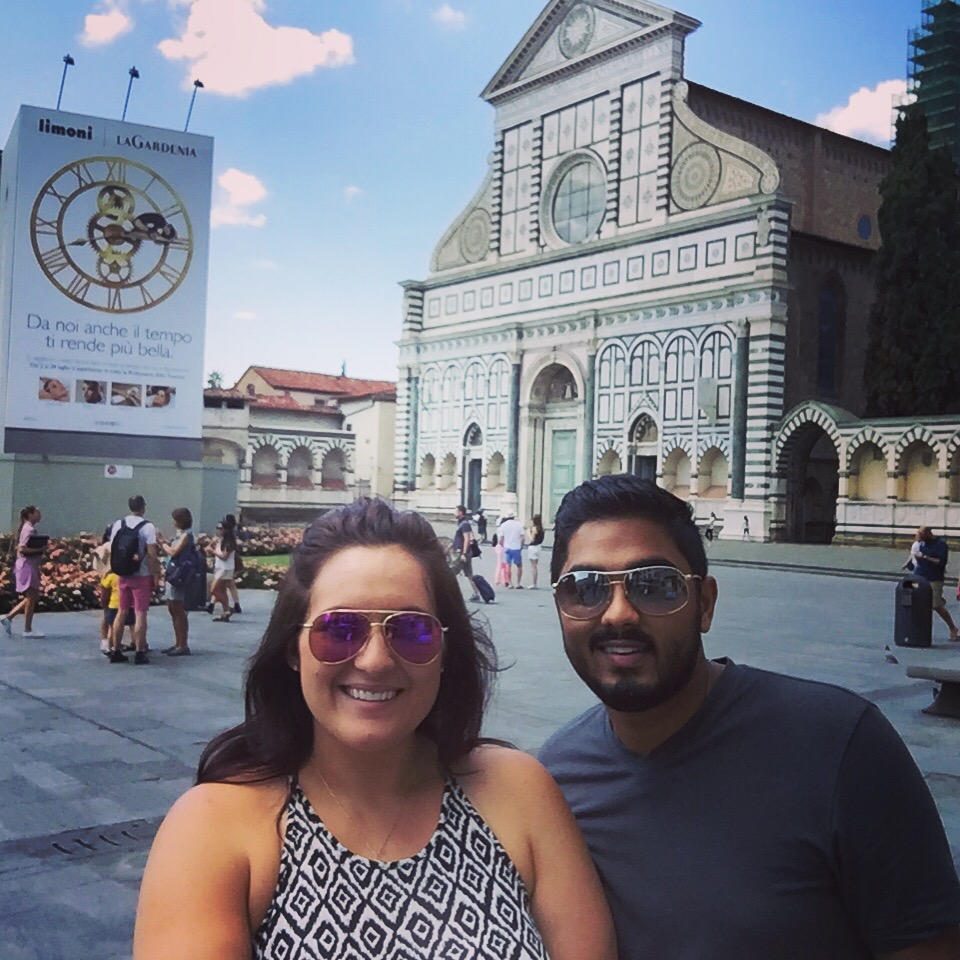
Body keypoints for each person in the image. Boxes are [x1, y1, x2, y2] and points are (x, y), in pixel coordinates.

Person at [133, 498, 616, 960]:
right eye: (339, 630)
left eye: (412, 631)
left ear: (445, 653)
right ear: (291, 649)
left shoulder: (516, 791)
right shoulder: (217, 829)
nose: (375, 660)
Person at [539, 475, 960, 960]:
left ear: (705, 605)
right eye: (585, 588)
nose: (618, 614)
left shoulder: (840, 746)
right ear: (560, 608)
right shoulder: (556, 781)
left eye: (655, 585)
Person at [109, 495, 161, 665]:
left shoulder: (119, 524)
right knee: (140, 613)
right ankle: (140, 651)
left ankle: (116, 650)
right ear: (143, 507)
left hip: (122, 574)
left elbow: (113, 548)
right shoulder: (148, 527)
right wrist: (156, 574)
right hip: (141, 574)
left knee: (122, 611)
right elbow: (152, 554)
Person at [1, 505, 47, 638]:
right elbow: (22, 549)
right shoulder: (29, 530)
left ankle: (9, 617)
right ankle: (27, 629)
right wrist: (41, 549)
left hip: (29, 566)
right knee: (32, 597)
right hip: (27, 566)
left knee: (33, 596)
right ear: (30, 515)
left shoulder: (28, 528)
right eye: (37, 512)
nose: (40, 515)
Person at [158, 508, 195, 656]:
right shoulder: (180, 534)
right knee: (172, 608)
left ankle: (183, 644)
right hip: (172, 573)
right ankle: (178, 642)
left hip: (179, 574)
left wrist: (162, 543)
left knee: (178, 609)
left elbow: (174, 552)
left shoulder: (187, 536)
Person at [914, 526, 960, 641]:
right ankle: (921, 630)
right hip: (920, 576)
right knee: (921, 605)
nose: (921, 541)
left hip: (935, 578)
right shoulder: (922, 543)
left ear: (928, 535)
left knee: (936, 605)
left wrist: (925, 557)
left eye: (922, 538)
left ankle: (952, 627)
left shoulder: (940, 544)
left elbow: (940, 562)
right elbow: (916, 555)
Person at [206, 519, 237, 622]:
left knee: (213, 590)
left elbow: (224, 557)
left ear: (226, 530)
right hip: (220, 568)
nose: (218, 530)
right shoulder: (220, 540)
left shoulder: (229, 542)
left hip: (225, 569)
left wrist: (212, 551)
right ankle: (225, 613)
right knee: (222, 591)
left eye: (220, 529)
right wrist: (212, 545)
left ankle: (228, 608)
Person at [452, 504, 481, 602]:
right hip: (464, 552)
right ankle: (476, 593)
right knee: (469, 574)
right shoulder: (462, 523)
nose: (454, 513)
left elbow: (467, 539)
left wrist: (464, 553)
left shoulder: (464, 524)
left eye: (455, 511)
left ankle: (452, 594)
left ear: (460, 512)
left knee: (451, 573)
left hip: (463, 553)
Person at [499, 513, 525, 588]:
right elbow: (523, 537)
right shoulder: (519, 524)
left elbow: (500, 539)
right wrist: (521, 546)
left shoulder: (503, 525)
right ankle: (518, 583)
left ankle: (510, 583)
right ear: (514, 517)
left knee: (508, 566)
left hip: (507, 547)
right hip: (516, 547)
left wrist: (503, 545)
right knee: (519, 566)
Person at [526, 514, 545, 589]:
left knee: (533, 566)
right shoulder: (542, 529)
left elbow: (532, 539)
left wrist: (528, 532)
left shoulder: (534, 529)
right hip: (538, 547)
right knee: (535, 565)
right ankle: (535, 583)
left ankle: (534, 583)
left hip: (533, 547)